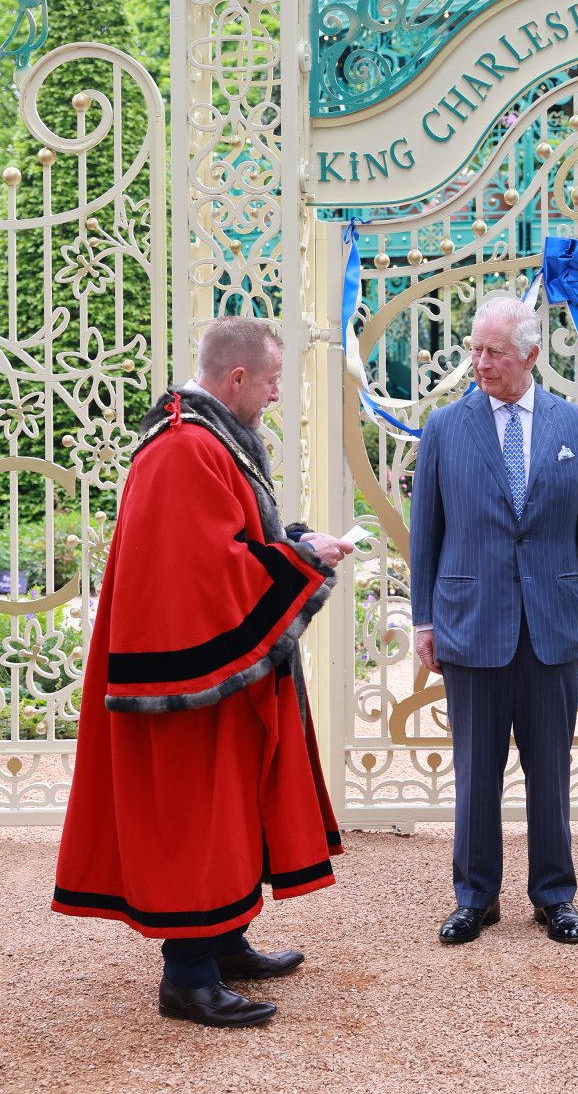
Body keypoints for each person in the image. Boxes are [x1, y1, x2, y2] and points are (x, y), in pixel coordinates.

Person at [53, 319, 354, 1028]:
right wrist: (303, 564)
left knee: (226, 809)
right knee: (194, 812)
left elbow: (232, 545)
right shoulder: (185, 447)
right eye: (274, 381)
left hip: (213, 665)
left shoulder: (207, 437)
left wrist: (296, 544)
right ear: (237, 379)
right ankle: (187, 977)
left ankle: (222, 941)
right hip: (183, 680)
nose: (278, 395)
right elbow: (203, 575)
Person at [409, 293, 578, 946]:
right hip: (471, 625)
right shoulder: (444, 427)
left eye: (493, 351)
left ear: (530, 352)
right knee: (475, 774)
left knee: (550, 773)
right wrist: (423, 621)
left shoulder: (574, 425)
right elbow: (426, 536)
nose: (480, 361)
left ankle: (555, 897)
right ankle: (475, 897)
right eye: (474, 349)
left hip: (553, 625)